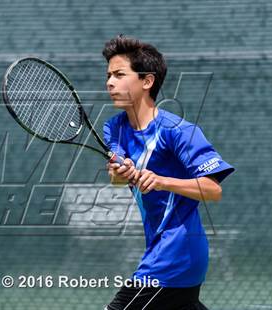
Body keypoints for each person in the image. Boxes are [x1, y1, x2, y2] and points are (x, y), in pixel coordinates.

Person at [102, 35, 235, 310]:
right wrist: (119, 172)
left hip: (176, 253)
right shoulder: (114, 128)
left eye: (119, 74)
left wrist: (162, 181)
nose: (110, 82)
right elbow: (117, 178)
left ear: (147, 81)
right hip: (162, 250)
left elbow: (213, 189)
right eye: (108, 75)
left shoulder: (179, 132)